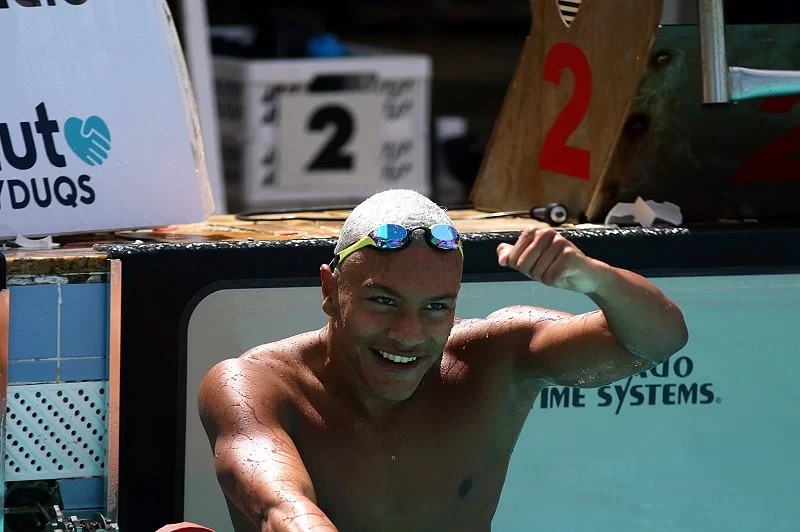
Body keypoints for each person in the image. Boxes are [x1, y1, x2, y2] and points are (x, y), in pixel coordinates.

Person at [198, 189, 688, 532]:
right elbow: (281, 509)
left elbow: (656, 340)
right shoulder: (254, 385)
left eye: (435, 308)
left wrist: (595, 278)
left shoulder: (496, 358)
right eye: (382, 302)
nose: (408, 336)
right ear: (331, 291)